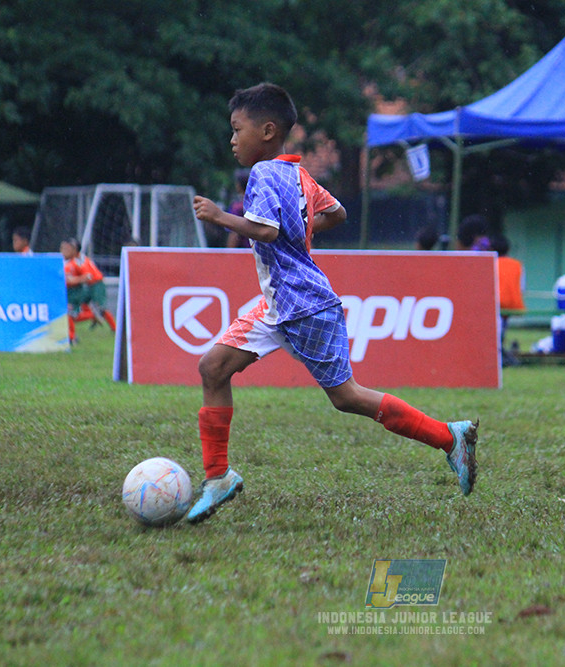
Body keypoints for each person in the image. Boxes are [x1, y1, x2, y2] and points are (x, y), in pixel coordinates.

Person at [188, 83, 478, 523]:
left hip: (304, 306)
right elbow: (337, 212)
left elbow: (264, 231)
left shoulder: (265, 174)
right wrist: (302, 232)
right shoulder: (297, 173)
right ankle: (218, 478)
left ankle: (449, 437)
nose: (231, 139)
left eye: (236, 129)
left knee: (346, 397)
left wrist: (219, 216)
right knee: (212, 367)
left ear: (267, 131)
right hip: (278, 305)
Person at [60, 238, 116, 343]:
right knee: (75, 311)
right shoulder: (68, 262)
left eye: (67, 248)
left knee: (100, 308)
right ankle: (88, 319)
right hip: (85, 286)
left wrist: (75, 280)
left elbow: (88, 276)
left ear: (75, 250)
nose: (64, 250)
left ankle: (115, 328)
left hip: (96, 284)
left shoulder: (78, 261)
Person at [492, 234, 525, 363]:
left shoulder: (491, 263)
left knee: (496, 331)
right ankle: (500, 353)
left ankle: (499, 354)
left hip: (495, 303)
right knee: (502, 329)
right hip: (511, 303)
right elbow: (522, 286)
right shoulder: (517, 265)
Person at [225, 170, 252, 248]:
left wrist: (230, 254)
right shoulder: (257, 205)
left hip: (243, 252)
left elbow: (234, 233)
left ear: (239, 186)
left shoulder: (237, 207)